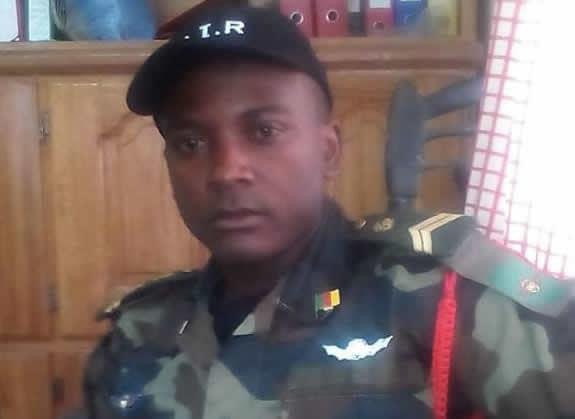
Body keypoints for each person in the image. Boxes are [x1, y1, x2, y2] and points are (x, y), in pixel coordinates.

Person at [83, 4, 575, 419]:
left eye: (264, 131)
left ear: (329, 152)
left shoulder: (440, 298)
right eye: (190, 142)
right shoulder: (140, 331)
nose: (227, 170)